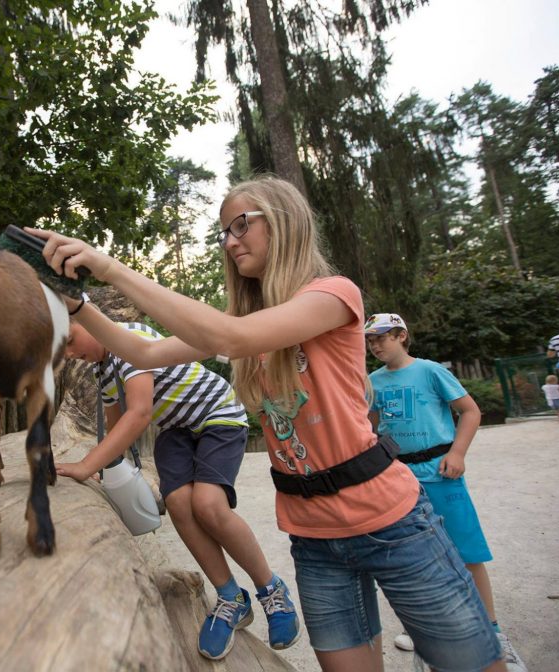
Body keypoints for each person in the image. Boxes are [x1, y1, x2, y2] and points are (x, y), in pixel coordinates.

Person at [28, 175, 507, 672]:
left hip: (390, 522)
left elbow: (232, 338)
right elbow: (145, 350)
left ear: (285, 222)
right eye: (224, 233)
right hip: (314, 537)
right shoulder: (243, 320)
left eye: (241, 225)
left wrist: (111, 269)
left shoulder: (332, 294)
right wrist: (80, 304)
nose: (231, 241)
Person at [58, 320, 300, 660]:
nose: (71, 354)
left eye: (70, 341)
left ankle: (271, 589)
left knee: (208, 504)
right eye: (65, 351)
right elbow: (115, 426)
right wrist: (105, 468)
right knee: (178, 503)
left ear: (89, 318)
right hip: (175, 428)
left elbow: (139, 413)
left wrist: (85, 465)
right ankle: (231, 597)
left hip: (217, 415)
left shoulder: (128, 340)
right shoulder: (103, 372)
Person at [365, 313, 527, 672]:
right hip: (400, 479)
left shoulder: (429, 370)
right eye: (370, 340)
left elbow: (470, 411)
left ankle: (494, 633)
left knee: (467, 552)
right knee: (414, 556)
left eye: (381, 337)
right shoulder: (372, 381)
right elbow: (372, 431)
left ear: (402, 335)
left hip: (440, 473)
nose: (375, 345)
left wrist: (457, 452)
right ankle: (428, 635)